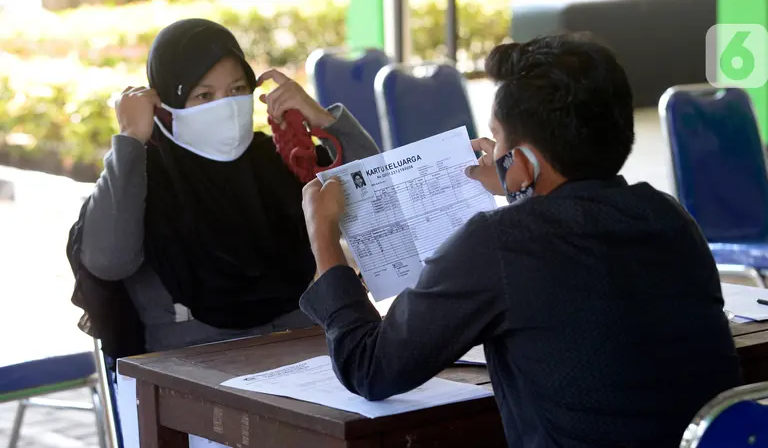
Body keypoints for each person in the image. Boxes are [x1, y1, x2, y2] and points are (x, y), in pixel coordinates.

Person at [298, 34, 743, 448]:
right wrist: (515, 186)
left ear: (524, 163)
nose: (492, 151)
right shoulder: (670, 217)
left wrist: (325, 243)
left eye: (499, 141)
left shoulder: (500, 243)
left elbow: (370, 368)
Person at [66, 18, 379, 361]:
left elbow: (380, 204)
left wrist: (324, 122)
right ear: (167, 105)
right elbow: (109, 261)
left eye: (236, 90)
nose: (225, 106)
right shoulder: (141, 174)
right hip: (194, 371)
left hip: (305, 352)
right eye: (203, 95)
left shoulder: (279, 160)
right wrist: (128, 141)